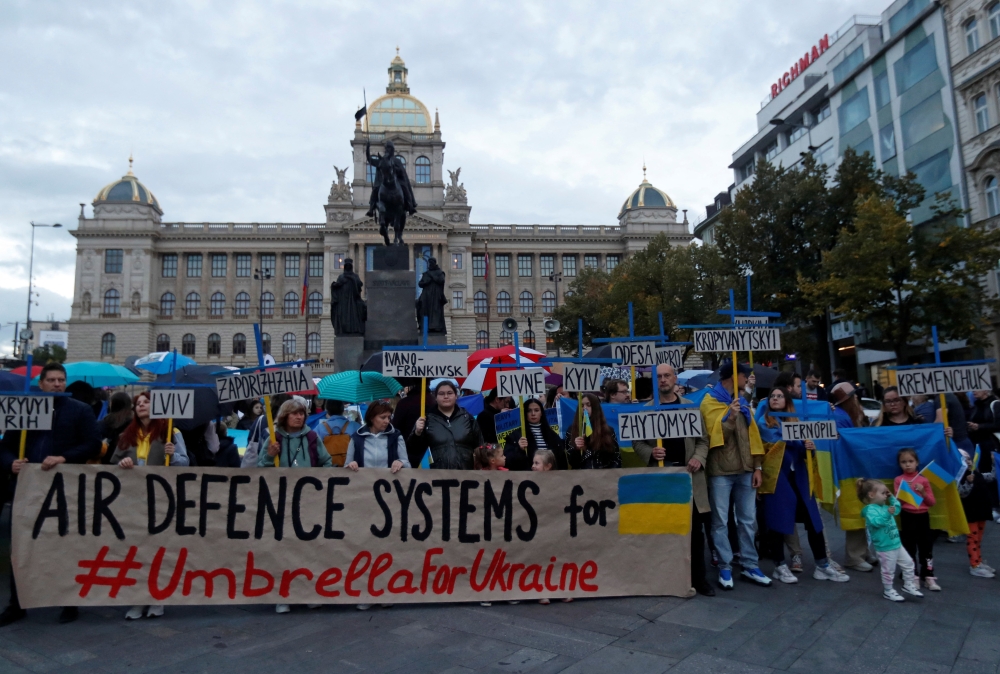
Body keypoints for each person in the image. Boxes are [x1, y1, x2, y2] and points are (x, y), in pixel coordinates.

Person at [0, 362, 101, 626]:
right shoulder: (25, 408)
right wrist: (11, 462)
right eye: (52, 380)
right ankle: (17, 603)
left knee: (64, 545)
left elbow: (92, 444)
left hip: (63, 489)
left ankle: (68, 601)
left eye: (61, 380)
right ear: (41, 384)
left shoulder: (80, 410)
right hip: (27, 489)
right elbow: (5, 447)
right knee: (21, 547)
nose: (57, 384)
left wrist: (65, 457)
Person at [633, 363, 714, 596]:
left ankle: (699, 579)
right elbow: (637, 443)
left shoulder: (691, 408)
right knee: (665, 532)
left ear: (674, 378)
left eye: (667, 375)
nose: (663, 380)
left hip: (689, 477)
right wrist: (650, 453)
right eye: (658, 377)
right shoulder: (646, 410)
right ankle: (667, 578)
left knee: (695, 533)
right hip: (663, 479)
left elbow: (703, 441)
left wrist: (698, 458)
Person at [757, 387, 849, 584]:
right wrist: (801, 440)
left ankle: (822, 564)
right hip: (776, 478)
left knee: (812, 519)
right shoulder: (764, 423)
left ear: (787, 402)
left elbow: (799, 449)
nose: (775, 399)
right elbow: (778, 441)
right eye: (772, 396)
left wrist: (811, 449)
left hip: (798, 476)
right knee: (778, 522)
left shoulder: (796, 424)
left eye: (779, 396)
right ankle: (779, 565)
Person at [112, 391, 190, 620]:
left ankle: (158, 599)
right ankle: (137, 599)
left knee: (159, 550)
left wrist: (173, 455)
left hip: (162, 500)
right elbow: (113, 462)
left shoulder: (171, 432)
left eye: (146, 402)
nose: (142, 405)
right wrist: (123, 462)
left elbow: (184, 463)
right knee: (136, 550)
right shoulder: (126, 435)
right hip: (134, 500)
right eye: (138, 403)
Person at [700, 359, 770, 589]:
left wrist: (758, 466)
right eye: (744, 375)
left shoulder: (743, 402)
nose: (747, 379)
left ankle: (750, 564)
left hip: (746, 469)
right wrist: (729, 418)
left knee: (748, 520)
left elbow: (754, 436)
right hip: (720, 471)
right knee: (721, 521)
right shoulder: (710, 402)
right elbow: (711, 437)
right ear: (733, 377)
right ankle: (725, 567)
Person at [258, 398, 330, 614]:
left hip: (308, 501)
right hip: (282, 502)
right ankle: (283, 595)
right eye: (294, 413)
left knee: (308, 548)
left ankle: (308, 591)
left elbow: (326, 462)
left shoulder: (311, 437)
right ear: (284, 416)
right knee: (283, 549)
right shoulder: (273, 438)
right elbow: (260, 468)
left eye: (302, 413)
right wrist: (270, 457)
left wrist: (317, 482)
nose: (299, 417)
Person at [830, 382, 875, 572]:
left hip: (853, 468)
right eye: (853, 397)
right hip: (848, 471)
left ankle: (862, 551)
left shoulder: (845, 415)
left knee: (862, 509)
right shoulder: (841, 418)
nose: (857, 399)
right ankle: (854, 556)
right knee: (856, 510)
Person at [857, 478, 923, 601]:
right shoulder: (870, 510)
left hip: (896, 543)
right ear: (871, 495)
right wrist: (887, 513)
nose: (885, 496)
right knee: (888, 571)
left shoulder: (884, 506)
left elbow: (897, 509)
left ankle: (908, 585)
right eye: (883, 493)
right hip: (885, 546)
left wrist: (892, 498)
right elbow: (876, 522)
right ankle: (888, 591)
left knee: (909, 563)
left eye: (885, 493)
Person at [410, 380, 484, 470]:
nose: (446, 396)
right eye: (441, 394)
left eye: (449, 393)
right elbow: (413, 450)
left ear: (456, 396)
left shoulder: (467, 418)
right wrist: (417, 433)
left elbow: (480, 446)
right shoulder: (426, 420)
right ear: (436, 397)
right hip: (437, 476)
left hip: (466, 475)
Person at [893, 448, 939, 591]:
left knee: (926, 547)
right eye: (903, 462)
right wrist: (902, 495)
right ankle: (912, 575)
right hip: (907, 516)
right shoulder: (898, 480)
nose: (907, 465)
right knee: (909, 547)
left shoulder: (923, 480)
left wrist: (923, 492)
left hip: (923, 517)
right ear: (899, 464)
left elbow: (932, 502)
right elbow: (898, 503)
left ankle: (929, 575)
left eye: (911, 461)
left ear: (917, 462)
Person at [958, 448, 997, 578]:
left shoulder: (976, 472)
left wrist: (994, 463)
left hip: (982, 509)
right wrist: (968, 482)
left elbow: (991, 477)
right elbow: (962, 493)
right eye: (964, 460)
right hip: (971, 512)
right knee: (972, 538)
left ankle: (979, 561)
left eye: (969, 459)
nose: (968, 462)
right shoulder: (959, 477)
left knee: (978, 538)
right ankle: (974, 565)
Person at [502, 398, 567, 471]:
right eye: (529, 411)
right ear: (524, 413)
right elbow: (507, 461)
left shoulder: (553, 435)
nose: (533, 414)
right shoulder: (515, 436)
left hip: (551, 477)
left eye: (536, 410)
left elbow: (561, 460)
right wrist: (519, 449)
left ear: (541, 412)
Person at [566, 393, 621, 469]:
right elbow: (572, 462)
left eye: (588, 405)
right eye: (582, 406)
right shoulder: (571, 430)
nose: (585, 408)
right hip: (580, 477)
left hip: (605, 476)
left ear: (595, 407)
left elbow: (616, 459)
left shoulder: (608, 431)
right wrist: (577, 449)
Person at [315, 399, 361, 467]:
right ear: (343, 409)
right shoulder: (355, 426)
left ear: (327, 410)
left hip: (327, 469)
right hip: (350, 468)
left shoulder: (319, 428)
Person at [99, 391, 134, 464]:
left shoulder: (104, 422)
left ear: (112, 404)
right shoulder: (133, 423)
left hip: (104, 460)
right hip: (126, 461)